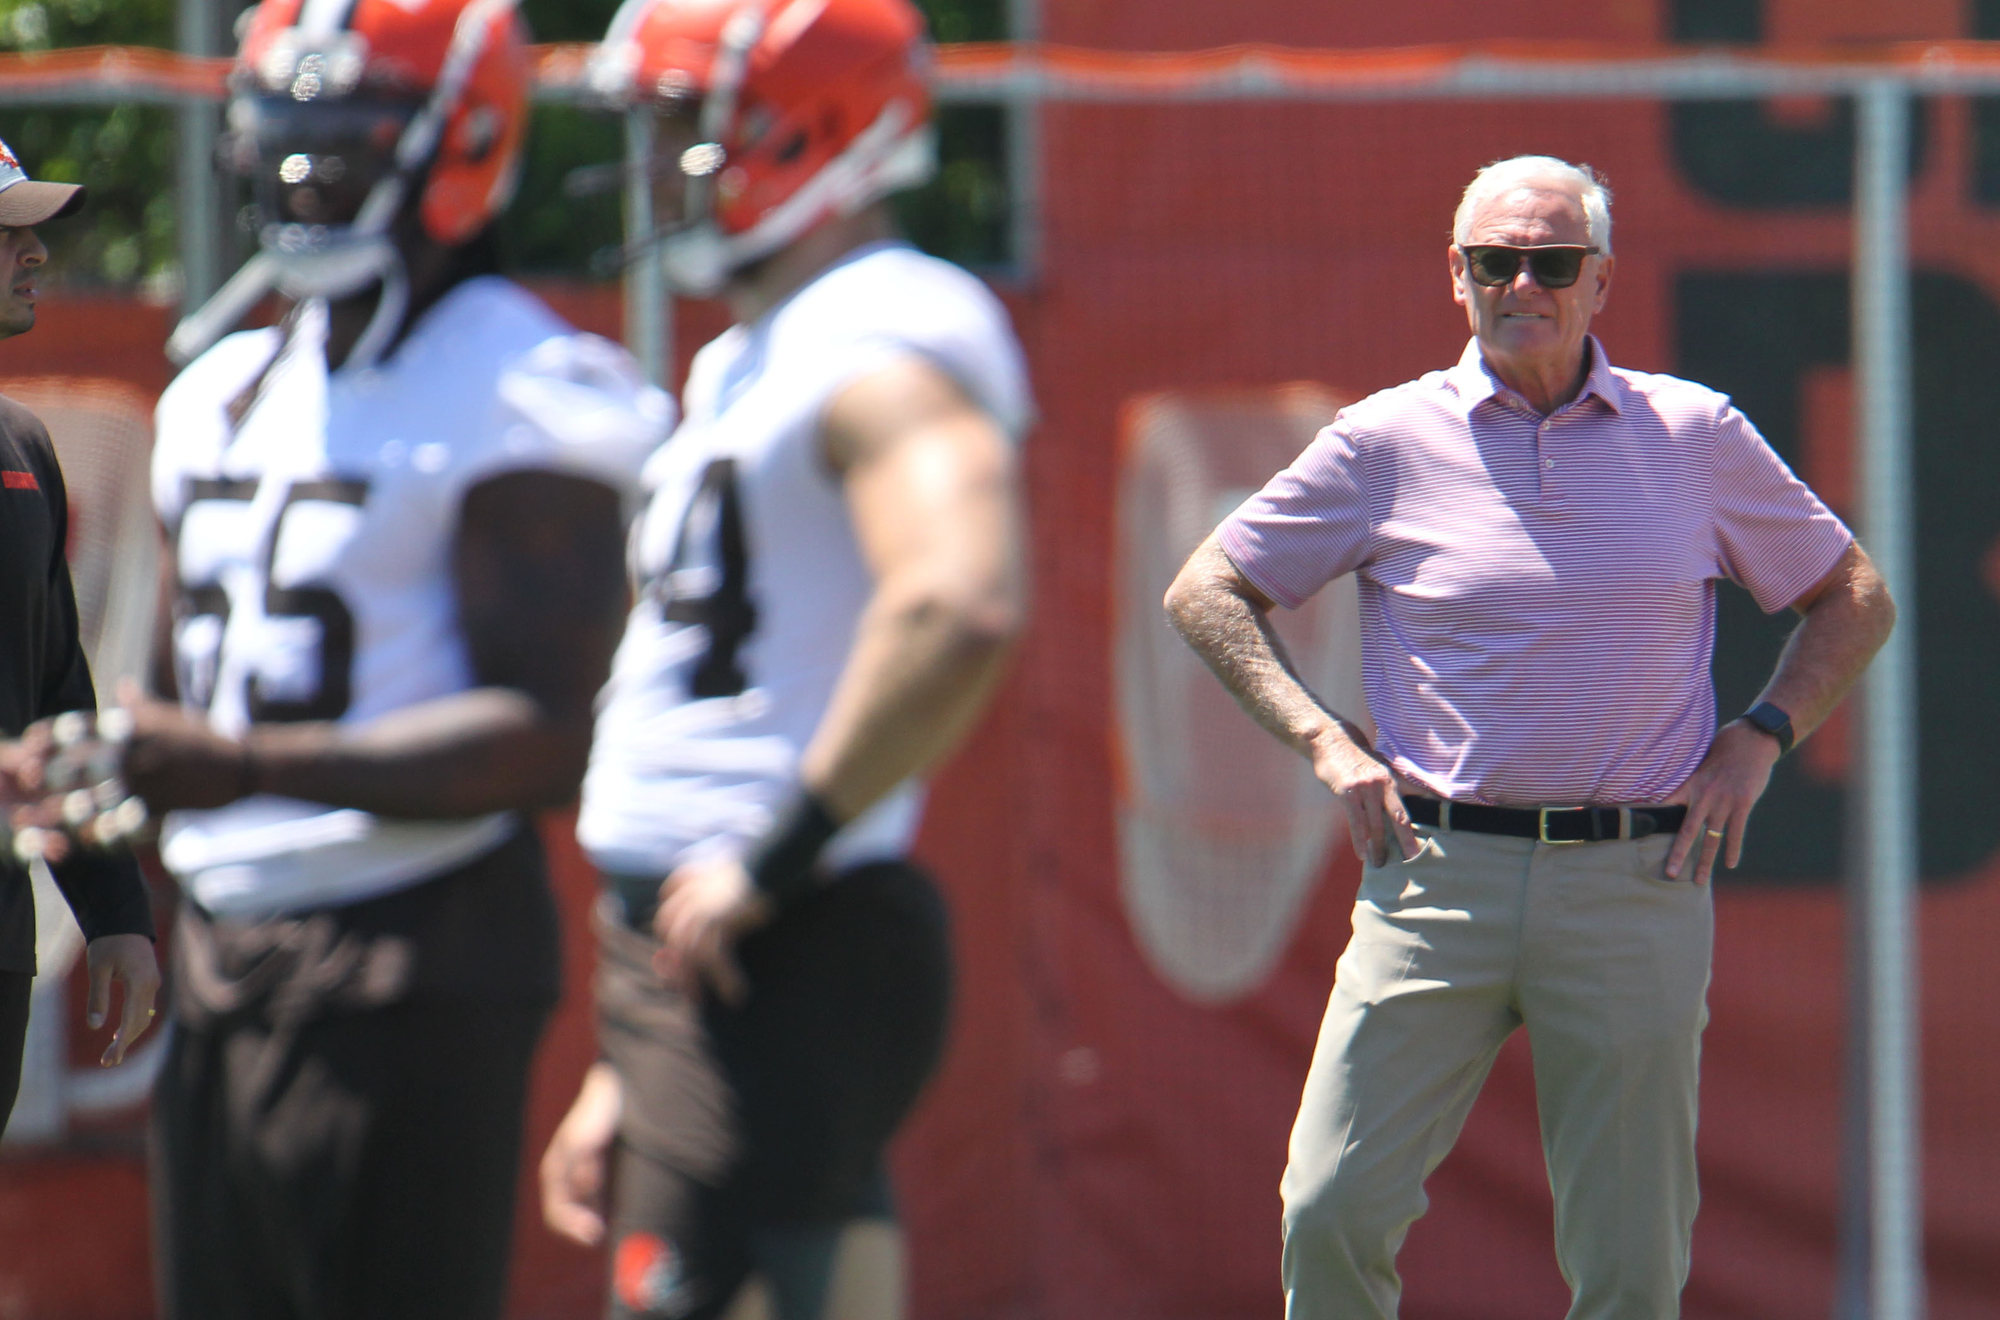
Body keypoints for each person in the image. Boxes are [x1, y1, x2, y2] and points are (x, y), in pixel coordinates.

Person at [1165, 155, 1896, 1319]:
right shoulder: (1383, 440)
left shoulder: (1692, 433)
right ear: (1454, 278)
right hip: (1432, 875)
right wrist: (1320, 738)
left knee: (1628, 1262)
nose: (1524, 284)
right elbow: (1206, 590)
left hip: (1632, 875)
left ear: (1598, 282)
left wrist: (1761, 732)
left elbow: (1851, 596)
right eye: (1495, 262)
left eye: (1551, 263)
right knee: (1330, 1207)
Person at [31, 1, 667, 1315]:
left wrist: (240, 764)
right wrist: (96, 763)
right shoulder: (220, 387)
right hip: (222, 946)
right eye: (284, 137)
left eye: (353, 140)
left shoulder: (527, 387)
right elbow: (188, 708)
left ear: (461, 144)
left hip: (414, 945)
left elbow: (553, 738)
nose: (307, 173)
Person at [536, 3, 1031, 1318]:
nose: (661, 158)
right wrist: (628, 1055)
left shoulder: (880, 326)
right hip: (710, 961)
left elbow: (958, 600)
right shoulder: (768, 342)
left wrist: (774, 849)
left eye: (687, 124)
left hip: (775, 940)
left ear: (806, 129)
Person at [0, 141, 159, 1136]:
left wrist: (114, 911)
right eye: (7, 232)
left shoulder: (22, 444)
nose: (37, 253)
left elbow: (61, 691)